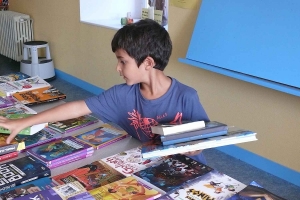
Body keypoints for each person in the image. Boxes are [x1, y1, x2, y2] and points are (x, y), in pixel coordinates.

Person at [0, 19, 209, 164]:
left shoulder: (186, 96)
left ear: (148, 62)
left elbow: (205, 139)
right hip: (148, 164)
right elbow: (76, 108)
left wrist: (194, 147)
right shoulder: (122, 95)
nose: (117, 68)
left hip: (189, 170)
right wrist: (25, 122)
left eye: (122, 61)